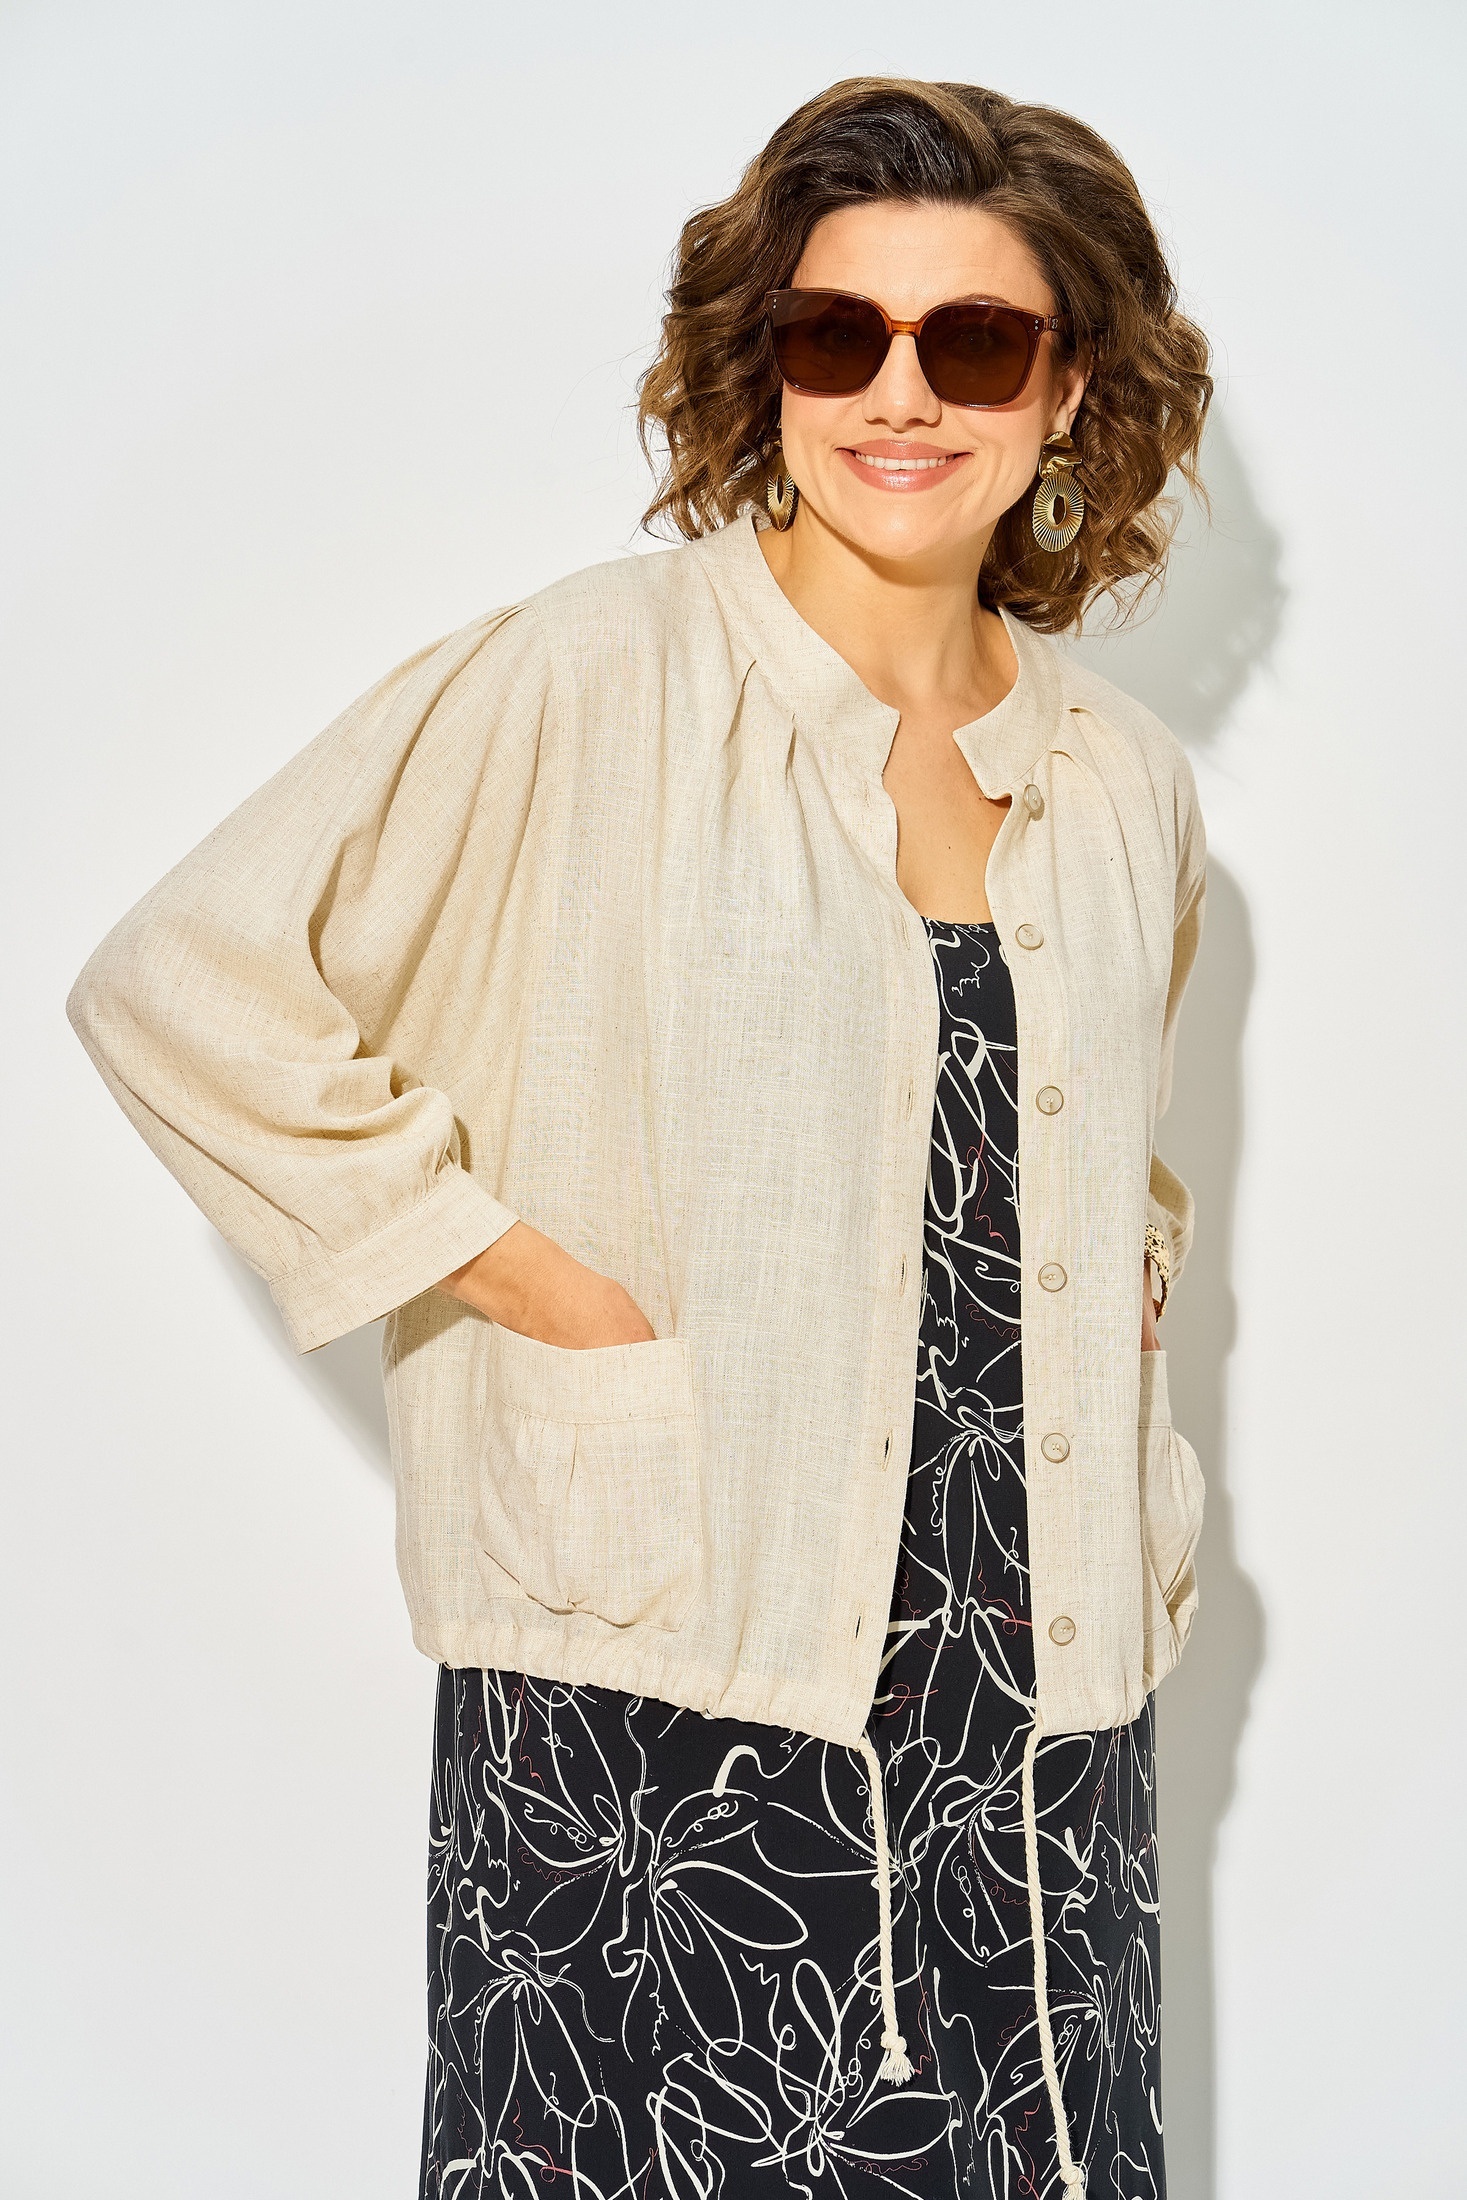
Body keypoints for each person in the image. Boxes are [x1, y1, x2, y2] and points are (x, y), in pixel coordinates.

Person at [67, 74, 1212, 2200]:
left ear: (1067, 392)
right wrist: (519, 1277)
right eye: (835, 333)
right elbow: (178, 978)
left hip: (1039, 1693)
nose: (899, 394)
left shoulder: (1122, 775)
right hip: (661, 1668)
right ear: (764, 367)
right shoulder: (589, 674)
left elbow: (1097, 1113)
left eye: (973, 342)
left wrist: (1118, 1284)